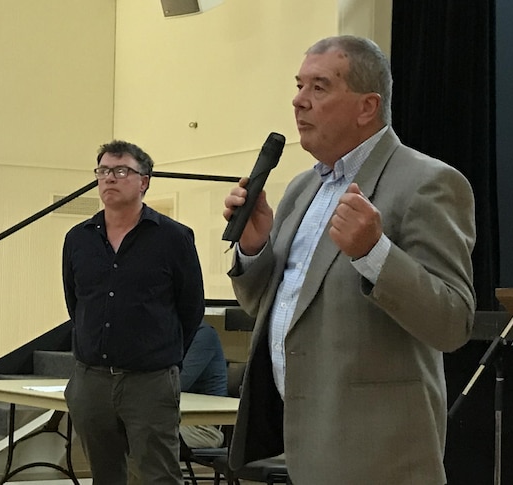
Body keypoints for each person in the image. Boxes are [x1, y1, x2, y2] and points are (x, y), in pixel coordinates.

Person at [222, 35, 476, 484]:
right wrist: (255, 248)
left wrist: (374, 254)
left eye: (319, 88)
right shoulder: (302, 189)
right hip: (300, 445)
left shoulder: (428, 182)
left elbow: (452, 323)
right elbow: (272, 309)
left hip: (380, 458)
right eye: (299, 85)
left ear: (367, 107)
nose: (299, 101)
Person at [62, 139, 205, 485]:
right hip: (91, 380)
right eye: (103, 171)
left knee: (158, 476)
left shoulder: (173, 238)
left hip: (149, 382)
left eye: (121, 170)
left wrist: (162, 358)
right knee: (104, 476)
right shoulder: (77, 239)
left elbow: (191, 308)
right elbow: (75, 303)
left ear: (144, 181)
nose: (110, 178)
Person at [180, 321, 228, 449]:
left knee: (138, 431)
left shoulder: (204, 334)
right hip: (178, 419)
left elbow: (178, 383)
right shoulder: (172, 334)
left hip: (203, 428)